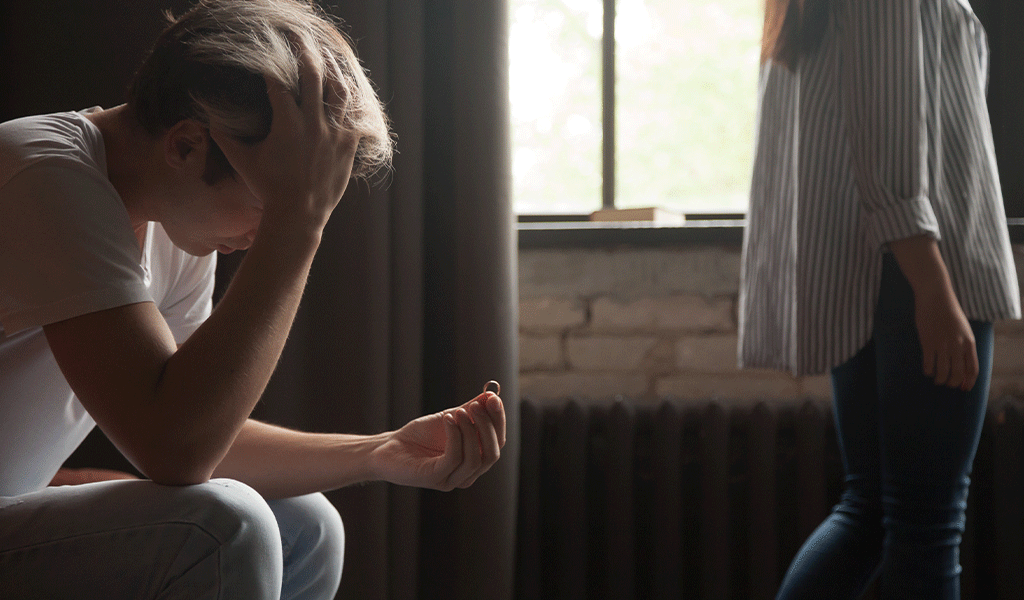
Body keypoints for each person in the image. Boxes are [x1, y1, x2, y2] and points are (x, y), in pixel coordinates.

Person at [0, 1, 507, 599]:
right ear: (186, 147)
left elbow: (206, 433)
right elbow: (176, 450)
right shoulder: (44, 172)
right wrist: (299, 223)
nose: (259, 240)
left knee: (306, 524)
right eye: (272, 204)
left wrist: (380, 452)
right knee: (224, 525)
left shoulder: (173, 218)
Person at [739, 0, 1020, 598]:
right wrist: (933, 288)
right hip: (914, 268)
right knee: (924, 523)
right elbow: (888, 126)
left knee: (875, 512)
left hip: (885, 269)